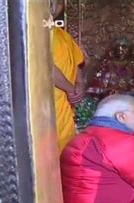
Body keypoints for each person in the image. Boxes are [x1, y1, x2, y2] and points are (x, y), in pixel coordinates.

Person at [51, 1, 85, 153]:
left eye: (57, 2)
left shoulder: (62, 35)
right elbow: (45, 67)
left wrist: (80, 85)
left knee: (65, 153)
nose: (53, 6)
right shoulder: (36, 35)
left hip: (66, 104)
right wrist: (70, 89)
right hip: (49, 104)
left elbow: (77, 62)